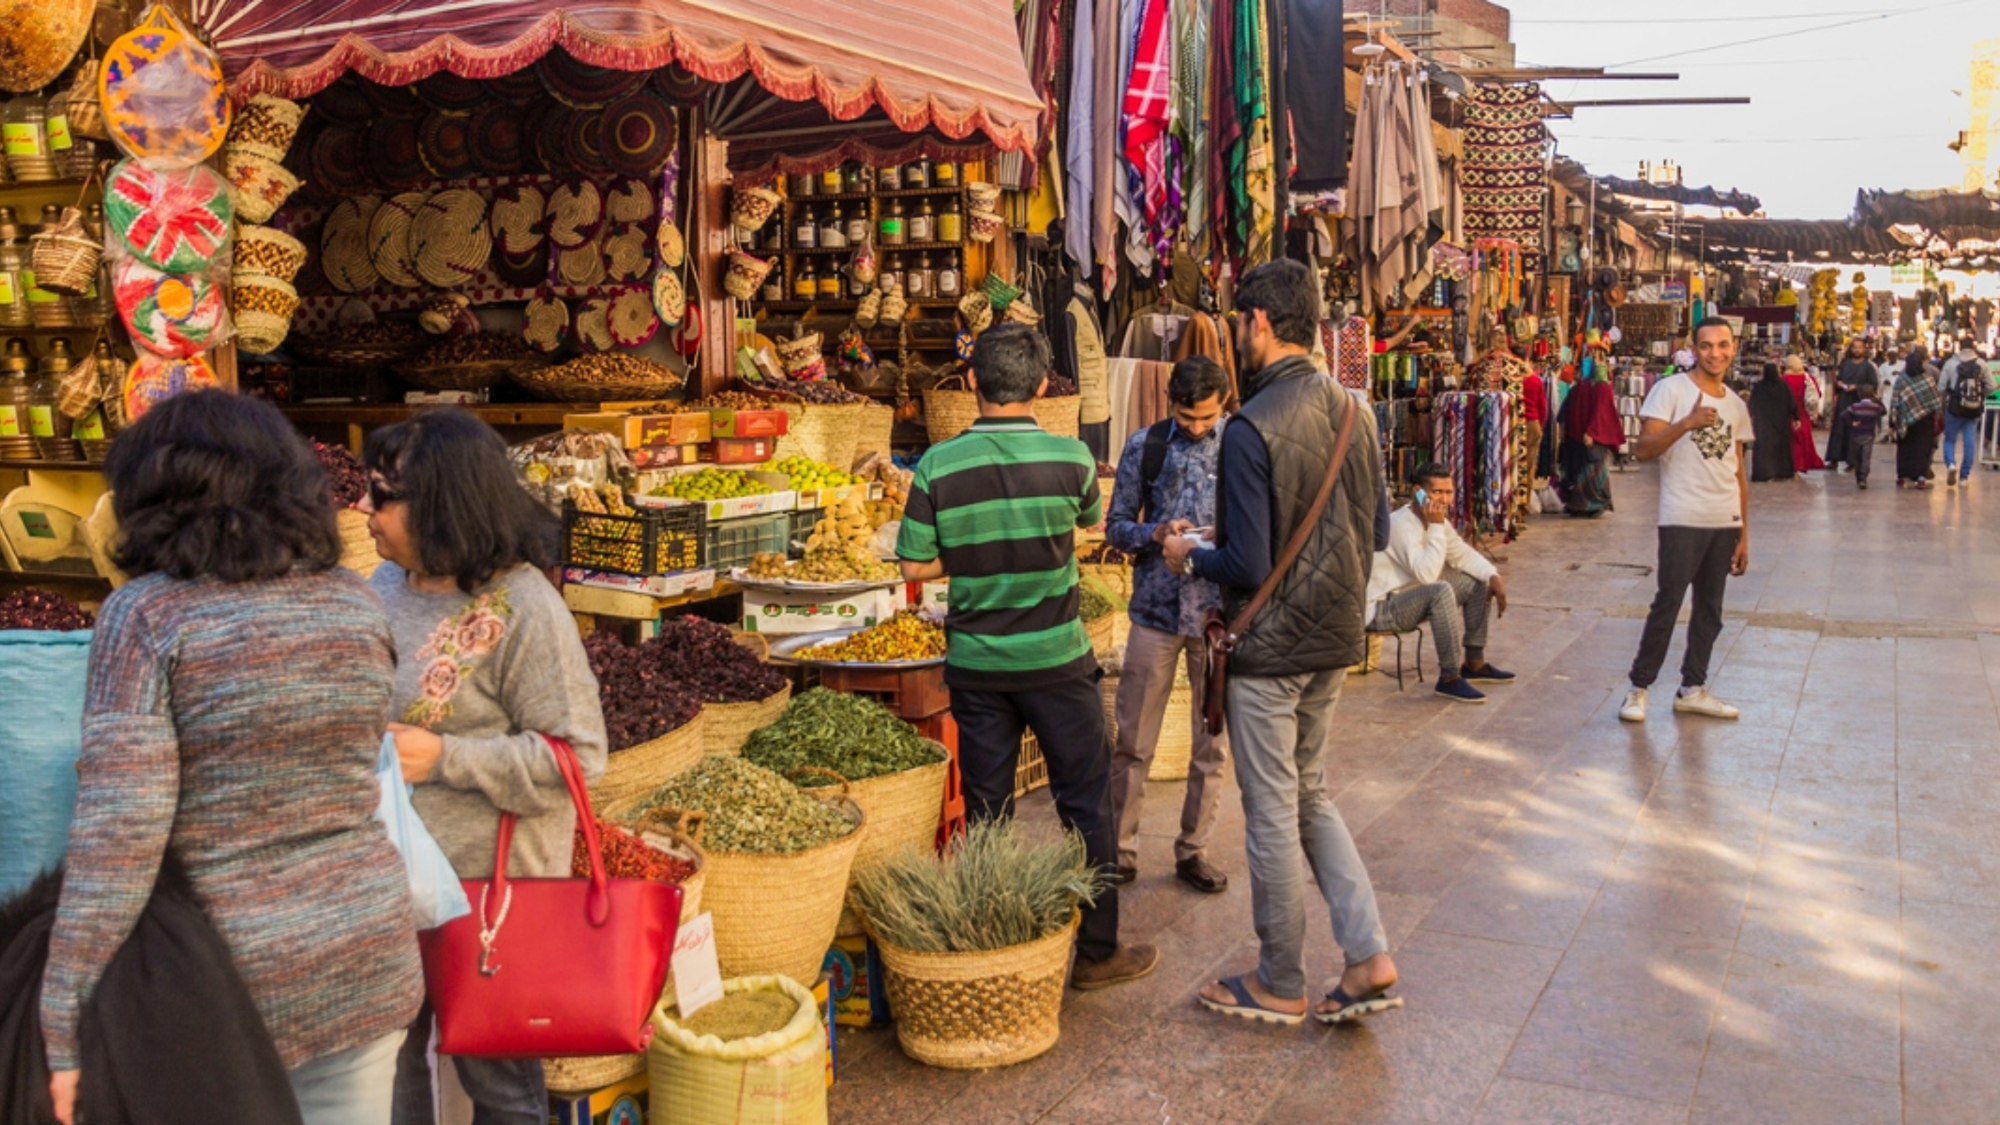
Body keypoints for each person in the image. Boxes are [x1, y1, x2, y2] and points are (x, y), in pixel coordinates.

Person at [41, 391, 423, 1125]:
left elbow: (119, 838)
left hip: (224, 988)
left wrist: (62, 1015)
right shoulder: (355, 601)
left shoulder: (148, 614)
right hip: (365, 954)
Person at [1160, 258, 1401, 1028]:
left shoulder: (1248, 428)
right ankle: (1367, 955)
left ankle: (1279, 977)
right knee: (1310, 795)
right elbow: (1378, 531)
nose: (1236, 335)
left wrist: (1189, 552)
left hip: (1268, 648)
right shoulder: (1358, 410)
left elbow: (1250, 563)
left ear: (1258, 321)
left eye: (1238, 322)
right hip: (1334, 637)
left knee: (1270, 809)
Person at [363, 409, 609, 1125]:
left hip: (489, 899)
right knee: (391, 1065)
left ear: (442, 505)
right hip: (390, 877)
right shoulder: (382, 583)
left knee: (500, 1085)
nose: (364, 510)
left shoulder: (526, 605)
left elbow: (578, 758)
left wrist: (444, 756)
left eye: (382, 496)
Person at [897, 322, 1159, 991]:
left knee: (988, 809)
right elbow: (1085, 521)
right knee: (1085, 802)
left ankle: (993, 946)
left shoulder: (936, 464)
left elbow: (914, 561)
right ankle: (1097, 952)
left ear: (974, 383)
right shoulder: (1072, 457)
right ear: (1043, 386)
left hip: (978, 665)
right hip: (1057, 660)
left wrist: (970, 551)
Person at [1103, 355, 1232, 894]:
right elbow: (1114, 527)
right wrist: (1157, 533)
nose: (1197, 427)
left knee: (1212, 742)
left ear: (1224, 404)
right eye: (1187, 417)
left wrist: (1216, 535)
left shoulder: (1242, 446)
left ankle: (1193, 849)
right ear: (1170, 403)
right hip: (1155, 609)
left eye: (1206, 418)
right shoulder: (1145, 446)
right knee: (1132, 739)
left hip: (1217, 615)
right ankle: (1119, 850)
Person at [1620, 318, 1753, 724]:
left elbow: (1738, 472)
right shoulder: (1671, 390)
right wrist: (1686, 424)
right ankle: (1638, 688)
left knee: (1710, 609)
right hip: (1682, 516)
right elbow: (1643, 450)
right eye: (1707, 345)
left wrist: (1744, 533)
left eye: (1723, 345)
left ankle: (1692, 687)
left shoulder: (1735, 403)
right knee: (1668, 602)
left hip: (1724, 518)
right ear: (1693, 349)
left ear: (1733, 348)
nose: (1716, 353)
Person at [1363, 462, 1513, 704]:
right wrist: (1434, 526)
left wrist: (1492, 575)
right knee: (1439, 590)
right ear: (1418, 492)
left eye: (1448, 492)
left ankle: (1474, 662)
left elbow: (1462, 555)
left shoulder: (1438, 522)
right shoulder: (1402, 525)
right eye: (1437, 492)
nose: (1444, 500)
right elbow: (1427, 577)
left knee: (1476, 579)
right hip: (1379, 608)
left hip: (1405, 598)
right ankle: (1449, 678)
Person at [1555, 372, 1624, 517]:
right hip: (1588, 437)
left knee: (1585, 470)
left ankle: (1584, 504)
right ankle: (1587, 505)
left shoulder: (1580, 387)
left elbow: (1565, 411)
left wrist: (1567, 430)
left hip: (1578, 437)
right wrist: (1592, 431)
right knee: (1588, 471)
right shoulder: (1600, 388)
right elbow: (1602, 412)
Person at [1939, 337, 1990, 487]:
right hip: (1973, 408)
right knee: (1969, 442)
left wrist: (1945, 401)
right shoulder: (1982, 364)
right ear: (1974, 347)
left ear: (1959, 347)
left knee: (1949, 440)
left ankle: (1951, 464)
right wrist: (1981, 396)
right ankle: (1964, 477)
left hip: (1954, 407)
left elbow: (1941, 387)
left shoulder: (1950, 364)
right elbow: (1991, 385)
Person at [1890, 346, 1942, 490]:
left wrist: (1892, 423)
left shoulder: (1901, 379)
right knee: (1922, 449)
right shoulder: (1928, 379)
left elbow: (1895, 403)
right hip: (1925, 421)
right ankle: (1920, 477)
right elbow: (1936, 401)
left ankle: (1903, 476)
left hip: (1905, 421)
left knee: (1905, 449)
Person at [1825, 338, 1880, 471]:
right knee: (1839, 429)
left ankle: (1852, 461)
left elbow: (1872, 385)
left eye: (1859, 347)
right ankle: (1834, 459)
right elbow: (1839, 379)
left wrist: (1857, 387)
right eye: (1854, 347)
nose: (1857, 350)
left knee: (1854, 431)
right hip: (1844, 401)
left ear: (1864, 349)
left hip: (1858, 402)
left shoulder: (1868, 367)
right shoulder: (1846, 364)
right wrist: (1839, 384)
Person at [1748, 361, 1800, 482]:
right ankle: (1783, 472)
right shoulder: (1783, 386)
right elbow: (1791, 403)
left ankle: (1764, 473)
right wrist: (1796, 417)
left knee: (1764, 448)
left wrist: (1749, 417)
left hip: (1763, 424)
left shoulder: (1759, 387)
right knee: (1781, 447)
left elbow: (1752, 404)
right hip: (1781, 423)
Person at [1781, 355, 1827, 473]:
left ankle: (1795, 463)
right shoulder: (1808, 378)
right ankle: (1807, 462)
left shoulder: (1784, 379)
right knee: (1805, 437)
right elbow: (1818, 394)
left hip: (1789, 413)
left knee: (1792, 439)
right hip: (1804, 413)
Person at [1838, 387, 1888, 489]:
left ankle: (1858, 475)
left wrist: (1852, 423)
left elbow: (1843, 415)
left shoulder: (1855, 406)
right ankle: (1863, 478)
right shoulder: (1875, 407)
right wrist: (1878, 400)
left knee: (1857, 457)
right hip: (1869, 435)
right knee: (1866, 457)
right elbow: (1884, 411)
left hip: (1856, 434)